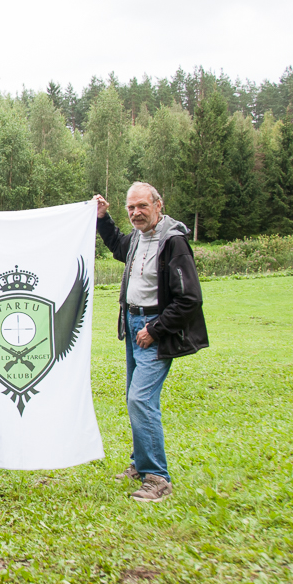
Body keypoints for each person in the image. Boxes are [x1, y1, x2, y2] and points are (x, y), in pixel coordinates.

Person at [95, 183, 208, 503]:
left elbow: (190, 299)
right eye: (131, 208)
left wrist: (155, 329)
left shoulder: (173, 241)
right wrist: (103, 218)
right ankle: (140, 464)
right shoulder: (139, 239)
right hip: (132, 326)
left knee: (140, 400)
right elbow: (118, 246)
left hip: (154, 330)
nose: (135, 213)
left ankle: (157, 477)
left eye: (142, 206)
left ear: (159, 205)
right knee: (137, 397)